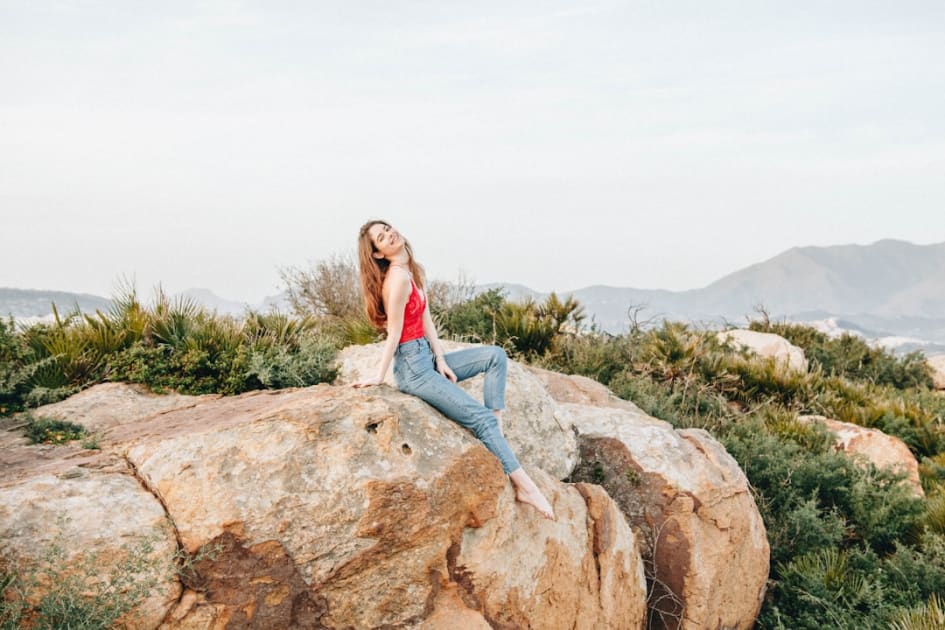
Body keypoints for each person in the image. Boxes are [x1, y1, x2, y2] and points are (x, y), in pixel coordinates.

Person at [352, 219, 555, 520]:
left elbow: (426, 319)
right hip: (413, 369)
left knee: (495, 356)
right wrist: (379, 376)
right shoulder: (397, 280)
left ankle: (494, 433)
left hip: (426, 357)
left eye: (389, 229)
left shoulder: (412, 270)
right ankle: (525, 487)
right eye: (382, 237)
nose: (390, 235)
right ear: (378, 253)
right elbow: (394, 333)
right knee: (480, 419)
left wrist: (442, 358)